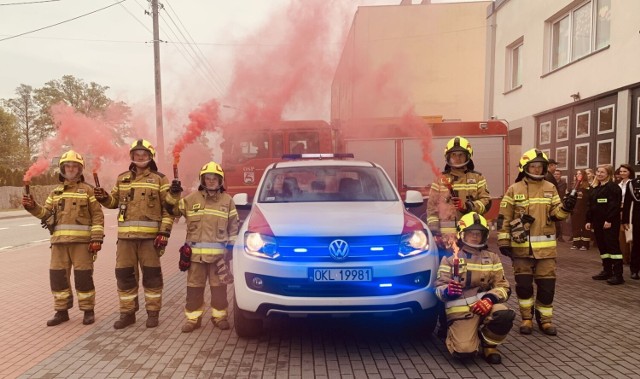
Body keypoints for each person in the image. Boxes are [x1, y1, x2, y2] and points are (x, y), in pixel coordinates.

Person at [93, 139, 174, 329]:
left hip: (150, 241)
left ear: (150, 157)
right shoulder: (122, 179)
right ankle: (127, 313)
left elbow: (168, 209)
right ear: (132, 157)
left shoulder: (160, 179)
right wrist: (104, 197)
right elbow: (113, 202)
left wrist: (164, 232)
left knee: (152, 277)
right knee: (124, 276)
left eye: (144, 154)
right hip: (125, 241)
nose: (140, 157)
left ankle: (153, 313)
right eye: (137, 154)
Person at [497, 149, 575, 336]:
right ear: (525, 167)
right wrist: (503, 241)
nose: (537, 169)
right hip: (521, 249)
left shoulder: (550, 187)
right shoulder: (514, 189)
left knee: (547, 287)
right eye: (533, 166)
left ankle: (545, 321)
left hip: (546, 251)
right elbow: (504, 218)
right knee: (523, 286)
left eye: (540, 166)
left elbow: (557, 215)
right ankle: (526, 319)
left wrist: (567, 207)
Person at [22, 150, 104, 326]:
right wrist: (32, 207)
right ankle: (61, 312)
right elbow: (46, 214)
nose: (71, 169)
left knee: (83, 278)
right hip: (59, 244)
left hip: (82, 244)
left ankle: (88, 311)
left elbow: (97, 216)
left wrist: (96, 238)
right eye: (68, 166)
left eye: (75, 166)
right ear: (62, 168)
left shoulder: (88, 191)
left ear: (80, 169)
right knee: (58, 278)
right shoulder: (55, 193)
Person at [426, 136, 491, 337]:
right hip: (447, 242)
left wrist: (468, 206)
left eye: (460, 154)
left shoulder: (477, 178)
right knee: (446, 282)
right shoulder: (440, 180)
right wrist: (435, 233)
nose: (456, 158)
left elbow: (486, 203)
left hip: (471, 241)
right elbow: (431, 210)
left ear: (467, 156)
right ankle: (445, 324)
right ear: (448, 157)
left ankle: (475, 321)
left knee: (471, 281)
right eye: (453, 155)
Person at [168, 161, 239, 332]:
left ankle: (219, 317)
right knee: (194, 289)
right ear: (202, 180)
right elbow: (173, 212)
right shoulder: (191, 199)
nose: (211, 181)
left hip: (218, 259)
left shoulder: (228, 201)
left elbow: (234, 228)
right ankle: (193, 319)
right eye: (208, 178)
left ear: (221, 180)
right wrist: (174, 195)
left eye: (215, 178)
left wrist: (230, 250)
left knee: (219, 290)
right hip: (195, 258)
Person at [435, 212, 515, 364]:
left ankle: (489, 345)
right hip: (461, 314)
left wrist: (489, 299)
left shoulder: (492, 258)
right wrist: (448, 291)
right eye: (471, 233)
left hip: (485, 308)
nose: (475, 237)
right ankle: (464, 335)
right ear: (462, 234)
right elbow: (438, 289)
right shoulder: (450, 259)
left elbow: (504, 287)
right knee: (464, 352)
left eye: (479, 233)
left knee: (505, 315)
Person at [586, 164, 624, 285]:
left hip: (609, 223)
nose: (599, 174)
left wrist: (609, 220)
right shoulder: (595, 188)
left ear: (608, 174)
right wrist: (588, 220)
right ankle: (607, 271)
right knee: (602, 247)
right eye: (598, 172)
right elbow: (590, 206)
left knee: (612, 247)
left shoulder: (613, 188)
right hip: (597, 223)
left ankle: (618, 275)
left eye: (602, 172)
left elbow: (614, 206)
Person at [622, 164, 640, 280]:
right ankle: (635, 269)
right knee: (637, 245)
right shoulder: (632, 183)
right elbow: (627, 203)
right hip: (637, 218)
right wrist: (625, 220)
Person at [570, 170, 591, 251]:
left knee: (585, 228)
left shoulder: (588, 187)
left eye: (580, 174)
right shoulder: (574, 187)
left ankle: (585, 245)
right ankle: (576, 244)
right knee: (576, 227)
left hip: (584, 211)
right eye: (577, 174)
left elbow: (589, 200)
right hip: (575, 211)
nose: (578, 175)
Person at [617, 164, 634, 267]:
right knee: (621, 234)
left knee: (629, 233)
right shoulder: (619, 184)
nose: (622, 173)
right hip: (619, 210)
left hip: (629, 210)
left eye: (625, 171)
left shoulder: (631, 183)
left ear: (629, 172)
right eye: (621, 171)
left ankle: (632, 257)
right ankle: (624, 257)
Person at [553, 169, 568, 242]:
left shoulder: (563, 183)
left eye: (558, 174)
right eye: (555, 174)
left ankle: (560, 236)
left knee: (560, 220)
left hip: (560, 202)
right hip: (553, 203)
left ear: (560, 175)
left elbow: (561, 192)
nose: (556, 175)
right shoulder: (551, 182)